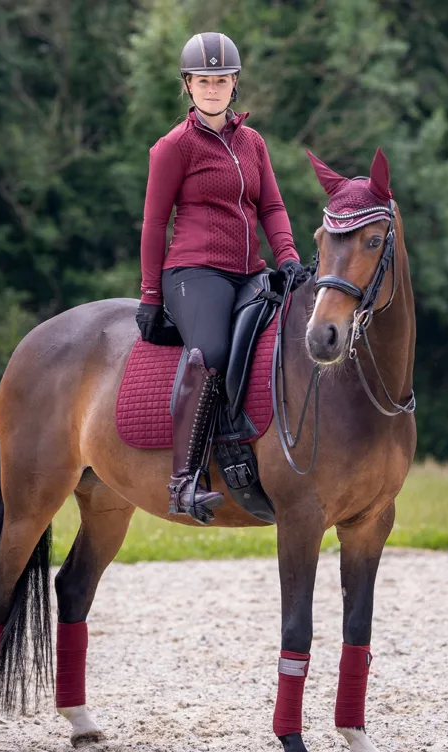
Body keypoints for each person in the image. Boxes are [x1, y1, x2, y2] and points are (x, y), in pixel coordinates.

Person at [135, 31, 304, 523]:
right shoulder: (173, 147)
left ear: (235, 85)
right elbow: (153, 223)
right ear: (188, 85)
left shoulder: (253, 143)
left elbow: (271, 205)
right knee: (209, 352)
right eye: (204, 80)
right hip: (193, 271)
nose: (213, 88)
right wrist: (150, 293)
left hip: (250, 272)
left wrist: (288, 256)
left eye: (222, 80)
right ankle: (184, 481)